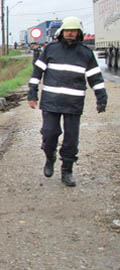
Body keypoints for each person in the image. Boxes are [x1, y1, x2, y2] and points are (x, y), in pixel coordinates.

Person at [27, 16, 107, 187]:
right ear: (61, 32)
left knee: (71, 139)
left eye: (73, 31)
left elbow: (95, 78)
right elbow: (36, 73)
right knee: (49, 134)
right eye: (67, 30)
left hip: (73, 104)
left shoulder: (86, 53)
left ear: (79, 33)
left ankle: (67, 171)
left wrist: (102, 98)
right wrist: (32, 94)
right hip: (50, 101)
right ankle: (50, 157)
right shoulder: (50, 49)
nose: (70, 33)